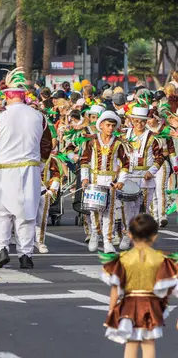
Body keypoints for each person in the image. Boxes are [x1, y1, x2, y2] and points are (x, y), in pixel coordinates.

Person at [0, 68, 52, 269]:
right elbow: (46, 145)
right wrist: (40, 165)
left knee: (1, 212)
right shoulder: (39, 117)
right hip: (30, 170)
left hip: (4, 170)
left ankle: (1, 249)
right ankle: (25, 254)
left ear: (7, 96)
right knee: (27, 213)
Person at [100, 214, 178, 356]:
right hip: (151, 307)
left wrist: (111, 310)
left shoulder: (123, 260)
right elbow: (173, 287)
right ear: (154, 236)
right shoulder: (161, 260)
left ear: (129, 234)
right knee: (149, 343)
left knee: (131, 344)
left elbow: (115, 288)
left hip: (128, 305)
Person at [80, 111, 130, 253]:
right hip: (95, 179)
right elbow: (84, 161)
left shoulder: (119, 143)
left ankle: (108, 240)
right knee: (94, 210)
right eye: (108, 125)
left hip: (111, 182)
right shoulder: (92, 141)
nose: (110, 128)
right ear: (101, 125)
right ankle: (95, 233)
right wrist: (85, 178)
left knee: (110, 211)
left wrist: (121, 181)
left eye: (113, 126)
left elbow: (126, 164)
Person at [121, 106, 163, 249]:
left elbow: (160, 157)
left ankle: (143, 239)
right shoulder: (124, 135)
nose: (139, 124)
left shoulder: (152, 138)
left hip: (145, 178)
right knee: (127, 208)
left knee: (143, 210)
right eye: (136, 121)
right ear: (132, 120)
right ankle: (127, 236)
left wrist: (151, 171)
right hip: (129, 176)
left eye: (142, 122)